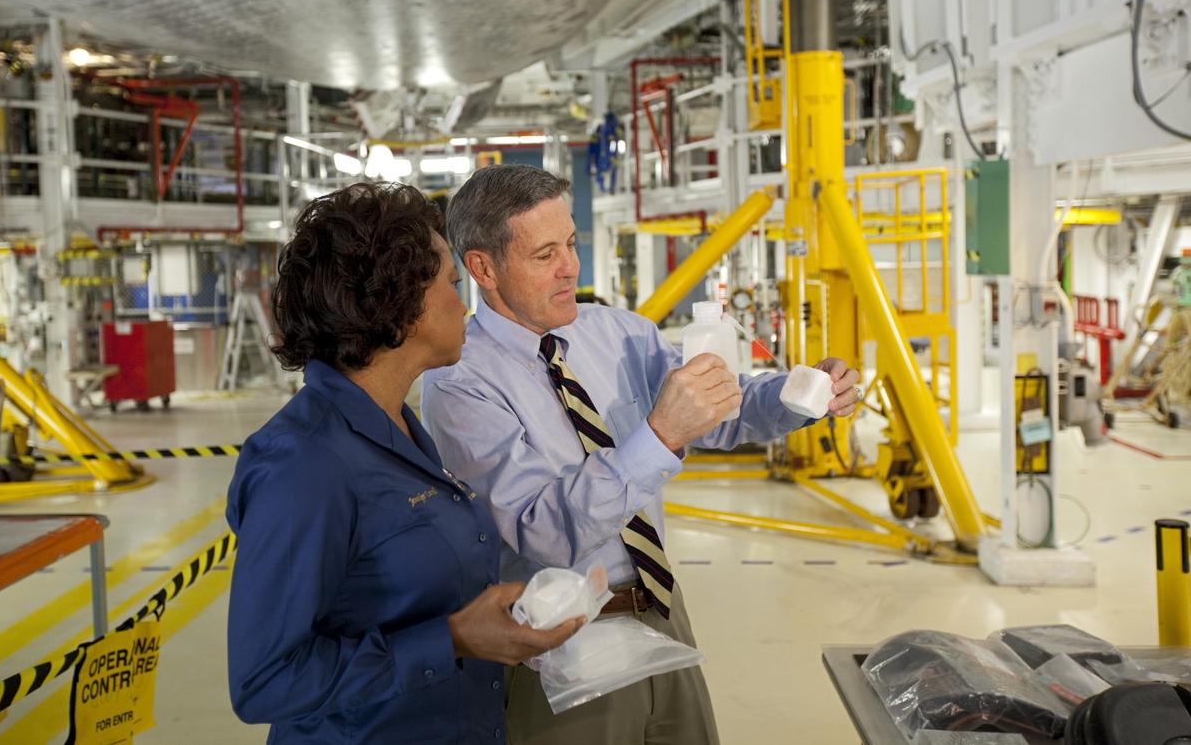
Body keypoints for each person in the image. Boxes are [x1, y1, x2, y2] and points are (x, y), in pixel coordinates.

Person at [421, 165, 861, 745]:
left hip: (661, 608)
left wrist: (798, 394)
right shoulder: (460, 381)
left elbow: (721, 408)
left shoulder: (617, 332)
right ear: (483, 268)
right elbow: (541, 531)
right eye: (545, 253)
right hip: (559, 641)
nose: (571, 267)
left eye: (572, 244)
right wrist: (658, 435)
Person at [225, 183, 582, 744]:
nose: (462, 301)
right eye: (449, 283)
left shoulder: (401, 431)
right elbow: (265, 681)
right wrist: (454, 640)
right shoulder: (304, 463)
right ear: (398, 302)